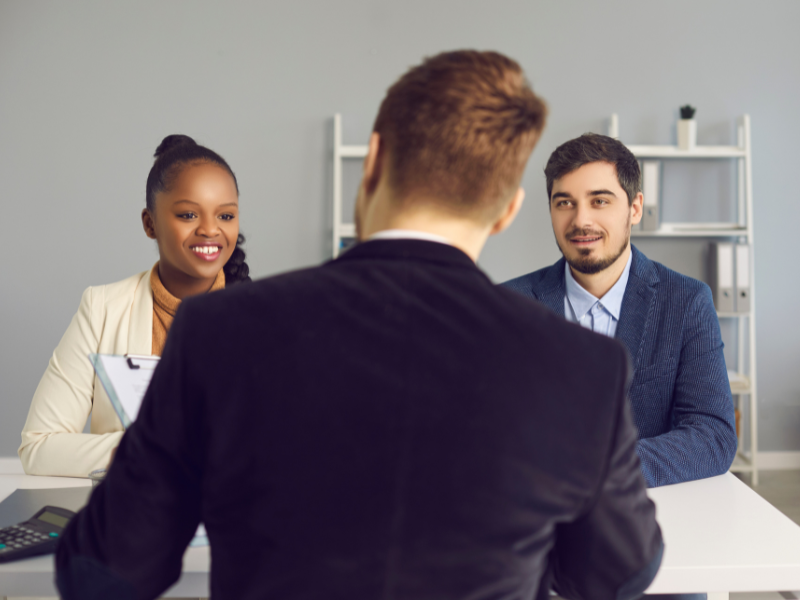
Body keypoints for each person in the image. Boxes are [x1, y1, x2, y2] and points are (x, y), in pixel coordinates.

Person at [56, 51, 662, 600]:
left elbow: (103, 570)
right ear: (507, 209)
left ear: (371, 164)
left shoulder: (218, 331)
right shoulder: (583, 366)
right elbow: (616, 574)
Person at [505, 133, 737, 488]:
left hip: (650, 515)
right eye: (564, 202)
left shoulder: (687, 302)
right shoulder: (508, 305)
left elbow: (713, 435)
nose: (581, 220)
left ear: (635, 208)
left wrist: (597, 469)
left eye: (600, 201)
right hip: (533, 517)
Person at [18, 134, 251, 478]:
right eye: (188, 214)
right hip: (132, 521)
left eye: (226, 216)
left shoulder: (264, 319)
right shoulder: (101, 309)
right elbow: (38, 446)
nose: (210, 230)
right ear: (149, 223)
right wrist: (143, 448)